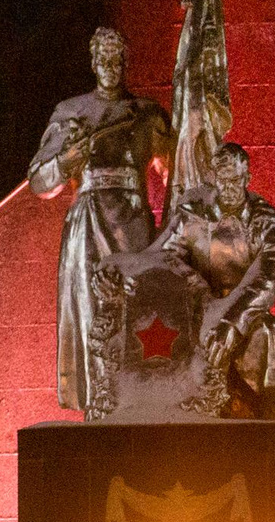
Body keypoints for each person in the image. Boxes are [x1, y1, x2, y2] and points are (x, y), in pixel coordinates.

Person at [28, 27, 174, 417]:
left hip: (133, 226)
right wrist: (64, 162)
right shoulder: (71, 112)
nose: (111, 67)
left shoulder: (147, 114)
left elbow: (179, 174)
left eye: (118, 60)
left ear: (127, 64)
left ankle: (139, 399)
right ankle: (97, 404)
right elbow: (39, 181)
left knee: (138, 315)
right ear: (93, 64)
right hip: (88, 228)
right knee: (92, 314)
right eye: (104, 60)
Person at [158, 141, 275, 419]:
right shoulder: (192, 215)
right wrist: (196, 287)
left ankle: (274, 425)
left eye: (235, 180)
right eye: (222, 181)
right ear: (213, 179)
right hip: (195, 310)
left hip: (245, 315)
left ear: (247, 178)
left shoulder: (268, 223)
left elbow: (266, 281)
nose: (229, 187)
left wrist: (232, 323)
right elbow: (166, 257)